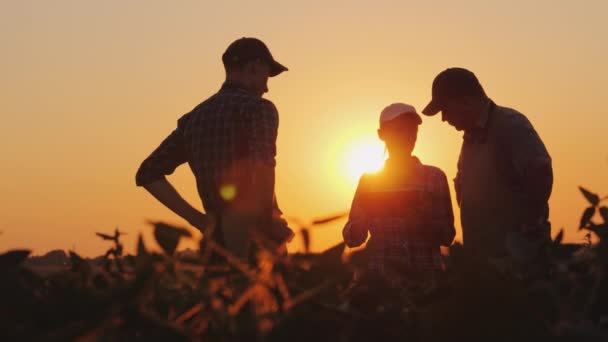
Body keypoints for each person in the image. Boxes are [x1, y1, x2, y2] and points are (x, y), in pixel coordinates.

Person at [135, 37, 293, 258]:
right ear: (254, 67)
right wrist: (269, 223)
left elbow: (147, 173)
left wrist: (198, 221)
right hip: (257, 245)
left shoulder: (193, 119)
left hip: (216, 247)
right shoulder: (259, 109)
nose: (267, 88)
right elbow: (263, 164)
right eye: (266, 77)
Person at [422, 67, 553, 262]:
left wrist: (527, 229)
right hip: (483, 261)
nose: (444, 118)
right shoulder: (470, 138)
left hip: (516, 263)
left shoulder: (510, 125)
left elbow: (540, 171)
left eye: (446, 109)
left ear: (465, 101)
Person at [343, 103, 456, 281]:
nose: (407, 136)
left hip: (427, 282)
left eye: (412, 130)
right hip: (382, 282)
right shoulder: (369, 181)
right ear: (382, 135)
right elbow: (352, 239)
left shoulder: (435, 177)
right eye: (398, 130)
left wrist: (421, 221)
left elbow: (447, 236)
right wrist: (364, 217)